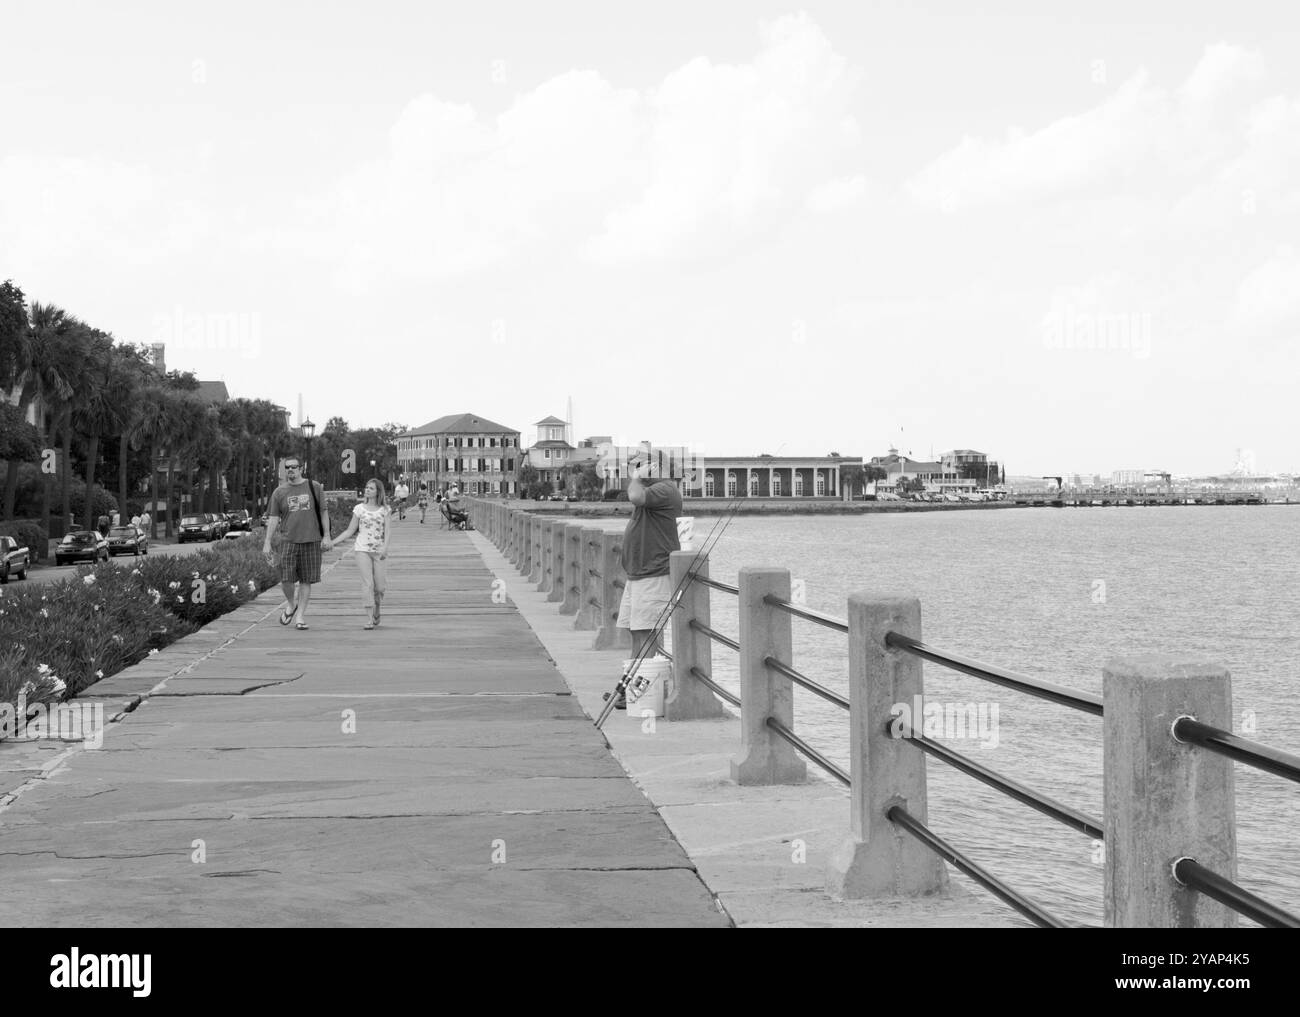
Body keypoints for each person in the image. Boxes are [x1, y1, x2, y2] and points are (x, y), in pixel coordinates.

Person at [613, 455, 682, 708]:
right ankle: (627, 691)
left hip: (654, 574)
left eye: (646, 465)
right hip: (639, 575)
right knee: (637, 634)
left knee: (648, 637)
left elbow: (634, 496)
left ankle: (639, 694)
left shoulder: (665, 489)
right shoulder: (655, 489)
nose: (641, 470)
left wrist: (636, 476)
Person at [263, 456, 332, 630]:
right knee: (286, 579)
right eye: (287, 468)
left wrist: (327, 536)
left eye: (294, 467)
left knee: (306, 580)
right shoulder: (279, 492)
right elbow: (273, 518)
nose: (290, 470)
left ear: (301, 468)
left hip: (311, 539)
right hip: (288, 540)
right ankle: (291, 604)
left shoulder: (314, 487)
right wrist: (267, 542)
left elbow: (323, 512)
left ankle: (300, 616)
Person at [330, 478, 391, 629]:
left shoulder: (385, 510)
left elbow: (388, 531)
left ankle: (377, 607)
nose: (367, 490)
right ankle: (369, 618)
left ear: (378, 491)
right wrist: (333, 542)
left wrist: (385, 547)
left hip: (379, 551)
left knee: (380, 587)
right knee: (367, 583)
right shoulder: (359, 509)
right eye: (366, 487)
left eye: (371, 488)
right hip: (362, 549)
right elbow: (350, 530)